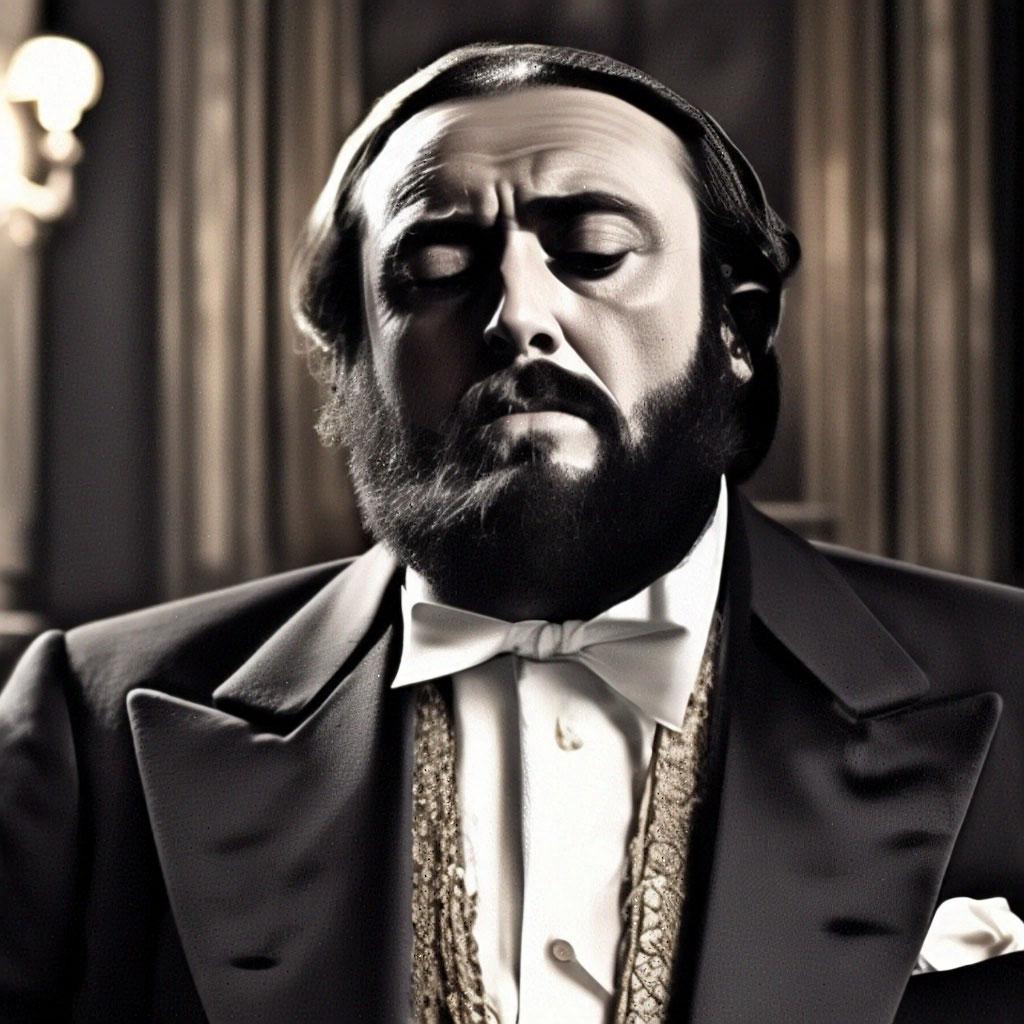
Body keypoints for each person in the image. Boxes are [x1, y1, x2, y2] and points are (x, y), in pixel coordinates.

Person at [1, 42, 1022, 1024]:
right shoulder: (94, 725)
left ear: (738, 328)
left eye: (594, 253)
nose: (517, 314)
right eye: (436, 267)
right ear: (350, 356)